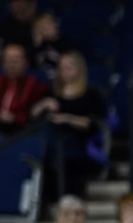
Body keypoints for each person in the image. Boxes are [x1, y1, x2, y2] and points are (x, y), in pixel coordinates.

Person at [29, 51, 107, 201]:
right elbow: (32, 116)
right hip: (53, 141)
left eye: (69, 66)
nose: (64, 70)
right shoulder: (51, 93)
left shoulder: (91, 94)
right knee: (46, 136)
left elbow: (92, 124)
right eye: (61, 66)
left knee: (58, 144)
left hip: (81, 143)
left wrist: (67, 119)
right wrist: (43, 103)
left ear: (80, 69)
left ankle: (54, 189)